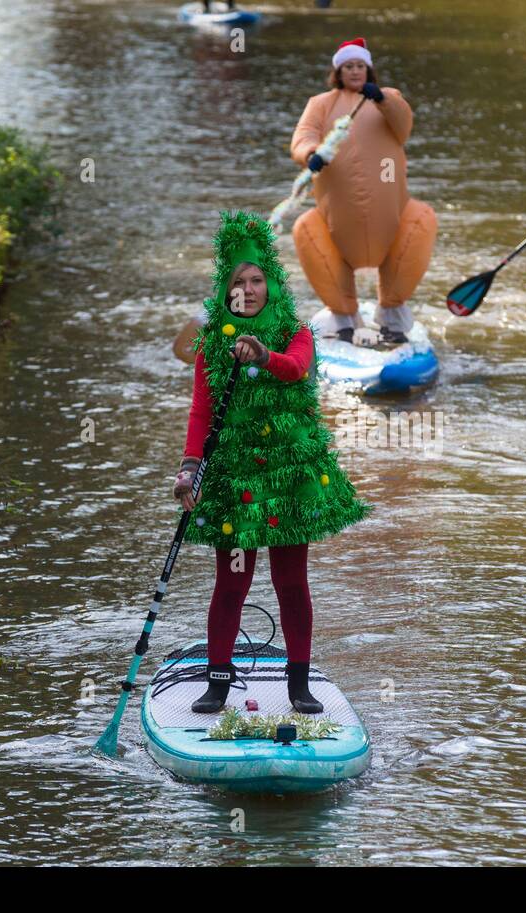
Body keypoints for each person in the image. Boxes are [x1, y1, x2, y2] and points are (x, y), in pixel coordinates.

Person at [175, 210, 370, 713]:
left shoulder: (295, 331)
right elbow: (202, 409)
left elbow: (297, 369)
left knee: (290, 582)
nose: (249, 289)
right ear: (226, 289)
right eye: (238, 281)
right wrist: (189, 468)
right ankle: (218, 682)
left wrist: (263, 356)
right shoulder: (210, 341)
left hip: (289, 478)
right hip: (235, 476)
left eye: (257, 279)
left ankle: (298, 683)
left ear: (271, 282)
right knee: (232, 582)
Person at [290, 37, 436, 346]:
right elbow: (303, 136)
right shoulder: (320, 104)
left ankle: (393, 318)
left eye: (360, 66)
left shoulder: (388, 99)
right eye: (348, 67)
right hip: (336, 223)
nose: (355, 72)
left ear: (368, 70)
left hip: (392, 220)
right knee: (305, 228)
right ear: (339, 72)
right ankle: (343, 318)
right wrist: (311, 153)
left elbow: (403, 125)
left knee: (422, 218)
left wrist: (382, 98)